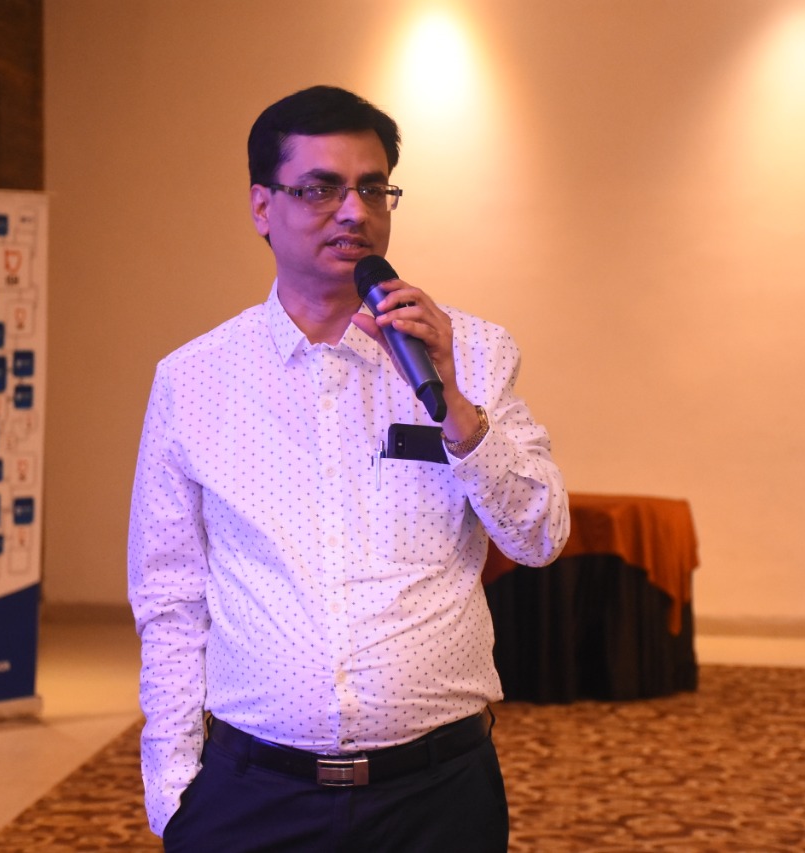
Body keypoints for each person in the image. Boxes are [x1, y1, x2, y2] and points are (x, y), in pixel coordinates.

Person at [128, 85, 569, 851]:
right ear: (262, 206)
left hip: (438, 795)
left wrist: (456, 406)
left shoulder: (471, 350)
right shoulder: (193, 379)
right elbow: (170, 597)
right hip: (252, 796)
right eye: (320, 188)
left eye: (372, 188)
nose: (353, 211)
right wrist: (172, 792)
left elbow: (539, 536)